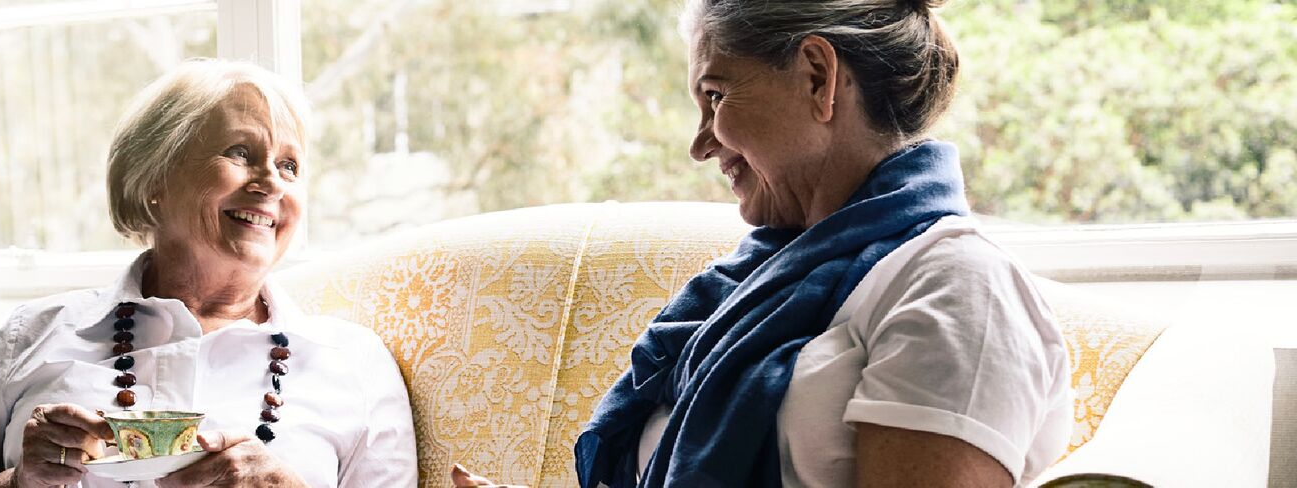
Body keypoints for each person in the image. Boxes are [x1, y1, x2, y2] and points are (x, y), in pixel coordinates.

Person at [454, 0, 1071, 486]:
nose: (700, 144)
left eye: (716, 96)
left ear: (817, 77)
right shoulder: (761, 281)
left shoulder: (957, 290)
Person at [0, 59, 417, 488]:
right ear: (153, 179)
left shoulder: (354, 365)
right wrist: (20, 483)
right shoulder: (32, 335)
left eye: (290, 165)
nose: (272, 182)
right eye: (240, 152)